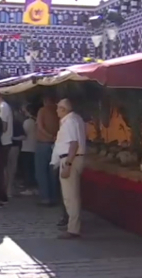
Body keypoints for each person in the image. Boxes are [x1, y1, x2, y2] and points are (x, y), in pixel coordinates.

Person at [51, 99, 86, 239]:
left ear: (64, 109)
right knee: (71, 195)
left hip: (70, 158)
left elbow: (73, 144)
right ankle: (73, 225)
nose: (56, 111)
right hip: (72, 158)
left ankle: (73, 229)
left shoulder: (70, 122)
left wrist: (68, 164)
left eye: (58, 108)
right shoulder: (76, 119)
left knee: (70, 196)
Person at [35, 95, 60, 206]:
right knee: (52, 172)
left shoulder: (42, 111)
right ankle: (54, 197)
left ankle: (45, 198)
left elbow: (40, 126)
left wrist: (49, 136)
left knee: (41, 171)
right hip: (55, 144)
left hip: (43, 143)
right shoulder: (57, 111)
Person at [7, 110, 26, 197]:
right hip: (14, 147)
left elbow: (23, 136)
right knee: (11, 169)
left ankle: (8, 189)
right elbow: (23, 136)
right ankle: (9, 189)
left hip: (9, 147)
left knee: (9, 169)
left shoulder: (13, 123)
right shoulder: (17, 123)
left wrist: (12, 138)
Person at [20, 104, 38, 196]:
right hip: (35, 146)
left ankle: (29, 188)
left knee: (27, 169)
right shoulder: (36, 121)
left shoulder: (27, 122)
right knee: (33, 169)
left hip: (27, 147)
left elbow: (24, 135)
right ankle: (34, 187)